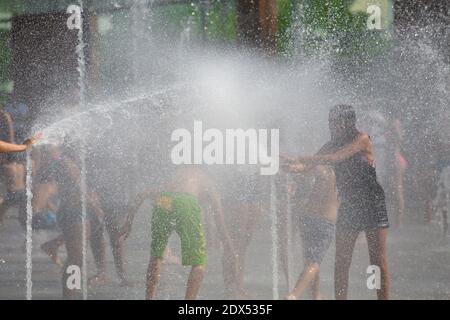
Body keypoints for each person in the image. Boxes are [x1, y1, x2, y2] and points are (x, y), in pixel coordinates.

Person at [282, 105, 390, 300]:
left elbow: (334, 158)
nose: (331, 126)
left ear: (348, 122)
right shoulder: (332, 143)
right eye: (330, 121)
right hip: (348, 204)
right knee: (341, 260)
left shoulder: (361, 139)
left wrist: (299, 158)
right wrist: (291, 166)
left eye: (335, 122)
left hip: (372, 203)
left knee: (377, 261)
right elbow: (310, 163)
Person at [120, 166, 236, 300]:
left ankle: (149, 297)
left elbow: (142, 195)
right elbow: (220, 223)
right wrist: (230, 248)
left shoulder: (178, 175)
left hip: (163, 200)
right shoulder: (208, 181)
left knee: (157, 255)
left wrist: (128, 223)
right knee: (199, 264)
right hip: (185, 203)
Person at [49, 142, 106, 299]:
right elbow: (80, 190)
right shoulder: (67, 163)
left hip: (78, 212)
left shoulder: (72, 163)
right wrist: (96, 208)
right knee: (75, 258)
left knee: (77, 257)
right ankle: (69, 296)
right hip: (72, 213)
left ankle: (71, 294)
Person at [283, 165, 338, 300]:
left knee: (310, 261)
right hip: (325, 223)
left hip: (308, 219)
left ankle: (315, 295)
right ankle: (293, 295)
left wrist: (294, 182)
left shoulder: (321, 169)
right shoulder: (343, 174)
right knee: (313, 263)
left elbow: (301, 170)